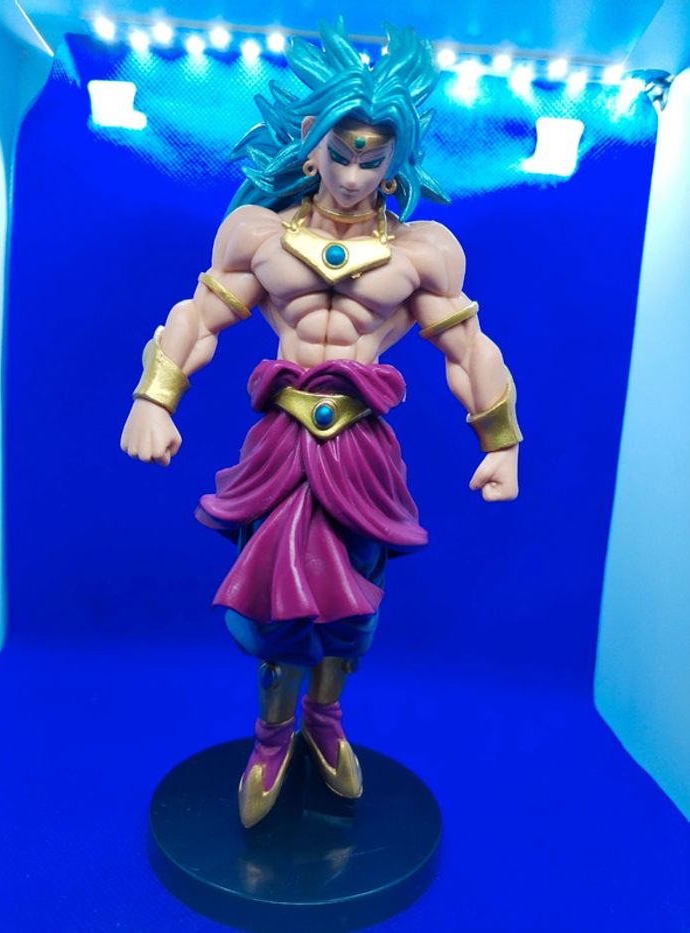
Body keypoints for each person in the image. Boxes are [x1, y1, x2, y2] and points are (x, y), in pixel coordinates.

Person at [120, 20, 521, 828]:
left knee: (352, 604)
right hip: (282, 446)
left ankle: (325, 721)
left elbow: (469, 348)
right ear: (311, 143)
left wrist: (501, 442)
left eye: (373, 159)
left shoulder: (423, 252)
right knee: (275, 604)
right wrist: (153, 397)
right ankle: (271, 737)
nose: (354, 174)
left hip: (363, 452)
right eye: (342, 154)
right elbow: (199, 316)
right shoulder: (259, 235)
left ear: (396, 160)